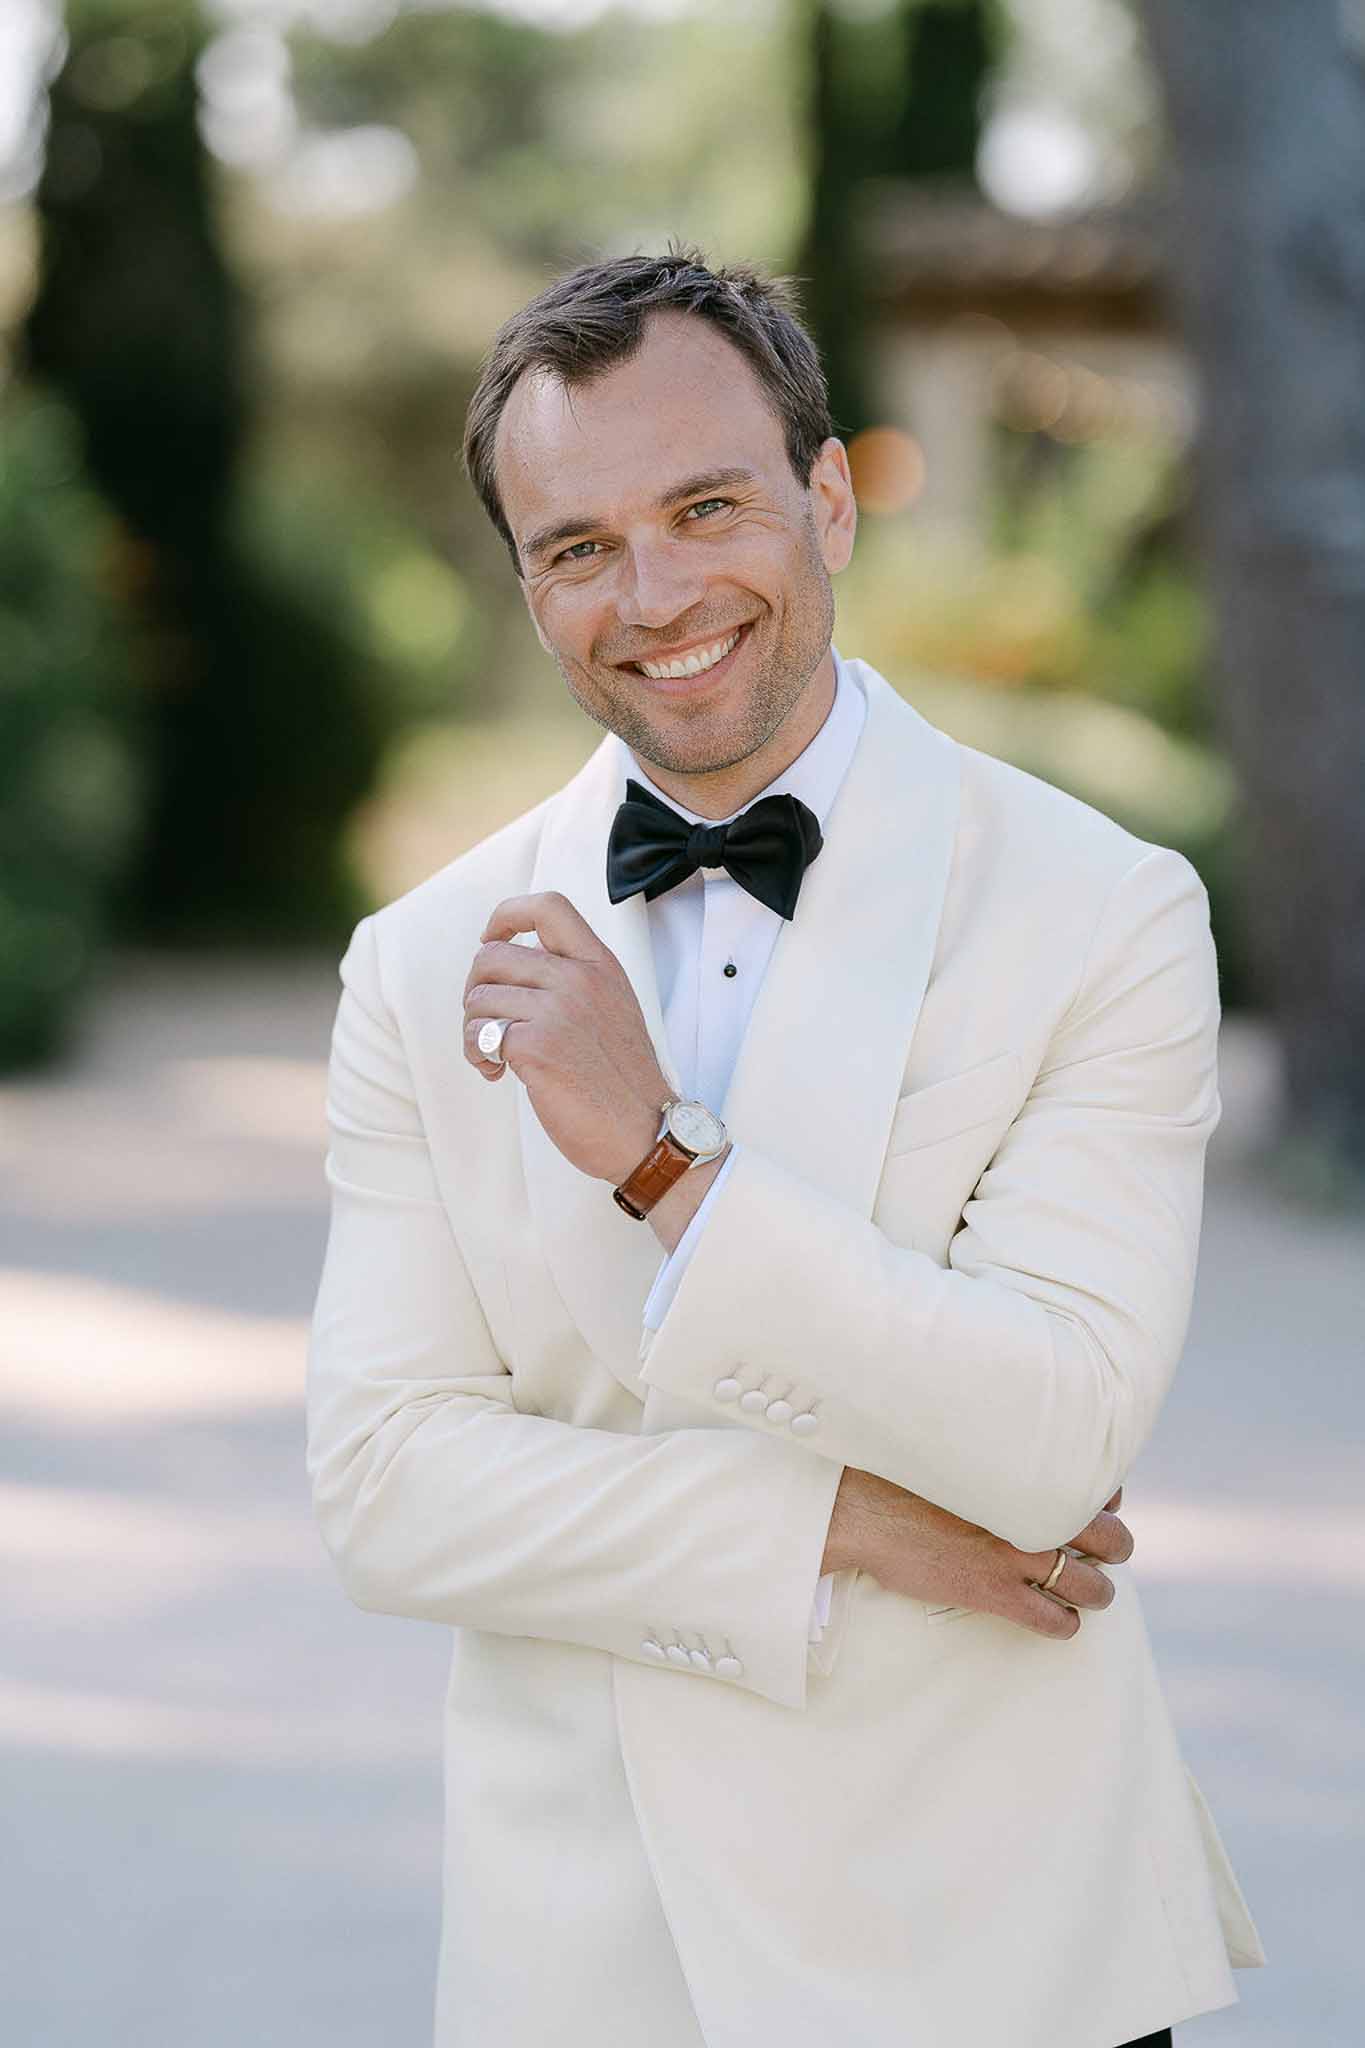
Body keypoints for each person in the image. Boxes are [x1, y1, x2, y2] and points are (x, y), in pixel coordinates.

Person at [306, 249, 1265, 2048]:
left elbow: (1055, 1431)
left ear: (826, 503)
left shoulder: (1101, 910)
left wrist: (665, 1161)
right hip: (595, 1965)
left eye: (706, 507)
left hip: (994, 1946)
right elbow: (383, 1488)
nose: (654, 592)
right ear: (525, 589)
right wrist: (837, 1524)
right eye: (576, 546)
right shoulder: (425, 957)